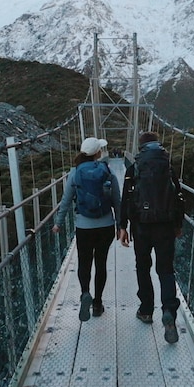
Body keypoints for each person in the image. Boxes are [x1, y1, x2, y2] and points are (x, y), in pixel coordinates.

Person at [118, 131, 184, 344]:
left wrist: (122, 226)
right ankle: (169, 313)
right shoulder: (168, 167)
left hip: (141, 226)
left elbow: (126, 198)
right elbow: (179, 197)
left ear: (141, 147)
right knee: (166, 270)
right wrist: (178, 224)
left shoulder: (134, 167)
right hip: (165, 227)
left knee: (143, 267)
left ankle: (146, 310)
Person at [53, 137, 121, 321]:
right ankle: (98, 304)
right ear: (99, 153)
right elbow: (117, 201)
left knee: (84, 262)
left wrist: (58, 223)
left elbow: (66, 201)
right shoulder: (107, 171)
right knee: (101, 263)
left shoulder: (75, 173)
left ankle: (84, 293)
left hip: (84, 226)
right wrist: (121, 226)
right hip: (106, 225)